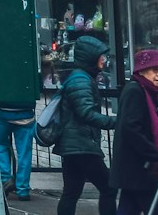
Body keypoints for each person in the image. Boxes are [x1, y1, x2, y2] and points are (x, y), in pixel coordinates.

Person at [58, 34, 118, 215]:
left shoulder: (80, 77)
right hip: (82, 146)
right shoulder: (80, 80)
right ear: (90, 56)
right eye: (101, 55)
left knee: (71, 193)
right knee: (109, 188)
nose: (104, 59)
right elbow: (85, 113)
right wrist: (115, 122)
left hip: (73, 146)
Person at [113, 49, 158, 215]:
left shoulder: (147, 91)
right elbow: (131, 129)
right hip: (140, 168)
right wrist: (154, 154)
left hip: (137, 171)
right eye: (154, 70)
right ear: (142, 71)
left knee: (128, 208)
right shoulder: (135, 91)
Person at [0, 94, 38, 200]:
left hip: (2, 111)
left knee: (0, 145)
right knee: (24, 153)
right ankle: (23, 189)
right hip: (26, 113)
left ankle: (6, 179)